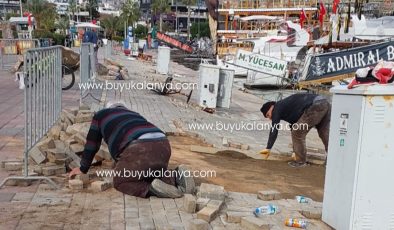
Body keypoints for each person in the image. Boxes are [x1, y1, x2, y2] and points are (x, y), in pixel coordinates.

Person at [69, 100, 195, 198]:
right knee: (150, 173)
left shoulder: (101, 115)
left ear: (108, 108)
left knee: (121, 182)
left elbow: (92, 144)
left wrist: (83, 168)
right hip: (163, 144)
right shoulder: (135, 114)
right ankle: (175, 176)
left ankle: (152, 190)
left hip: (139, 148)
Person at [259, 94, 331, 167]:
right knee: (324, 133)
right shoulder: (286, 108)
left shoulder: (277, 107)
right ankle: (331, 161)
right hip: (324, 102)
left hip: (314, 105)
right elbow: (293, 126)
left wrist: (268, 148)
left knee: (297, 133)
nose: (270, 118)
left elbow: (274, 129)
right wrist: (295, 151)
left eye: (268, 115)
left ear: (271, 107)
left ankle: (300, 162)